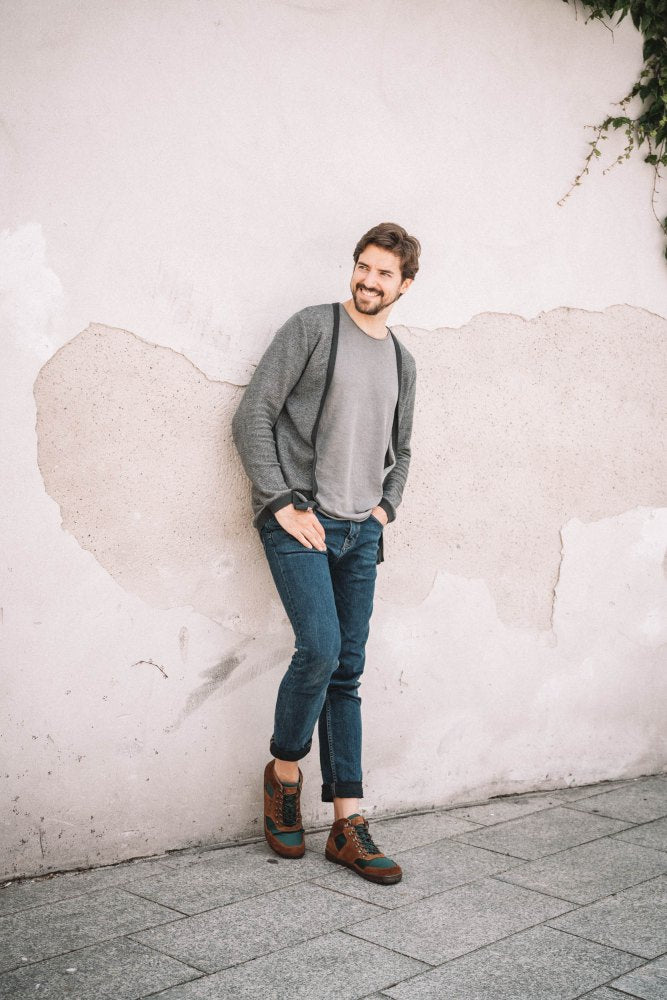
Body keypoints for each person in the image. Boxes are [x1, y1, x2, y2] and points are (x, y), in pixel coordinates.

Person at [232, 222, 419, 884]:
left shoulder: (402, 361)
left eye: (384, 273)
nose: (369, 280)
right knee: (320, 647)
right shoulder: (313, 328)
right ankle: (285, 773)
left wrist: (384, 509)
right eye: (363, 266)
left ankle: (347, 825)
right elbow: (252, 416)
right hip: (301, 521)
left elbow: (402, 449)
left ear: (405, 284)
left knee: (347, 672)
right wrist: (281, 501)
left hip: (360, 532)